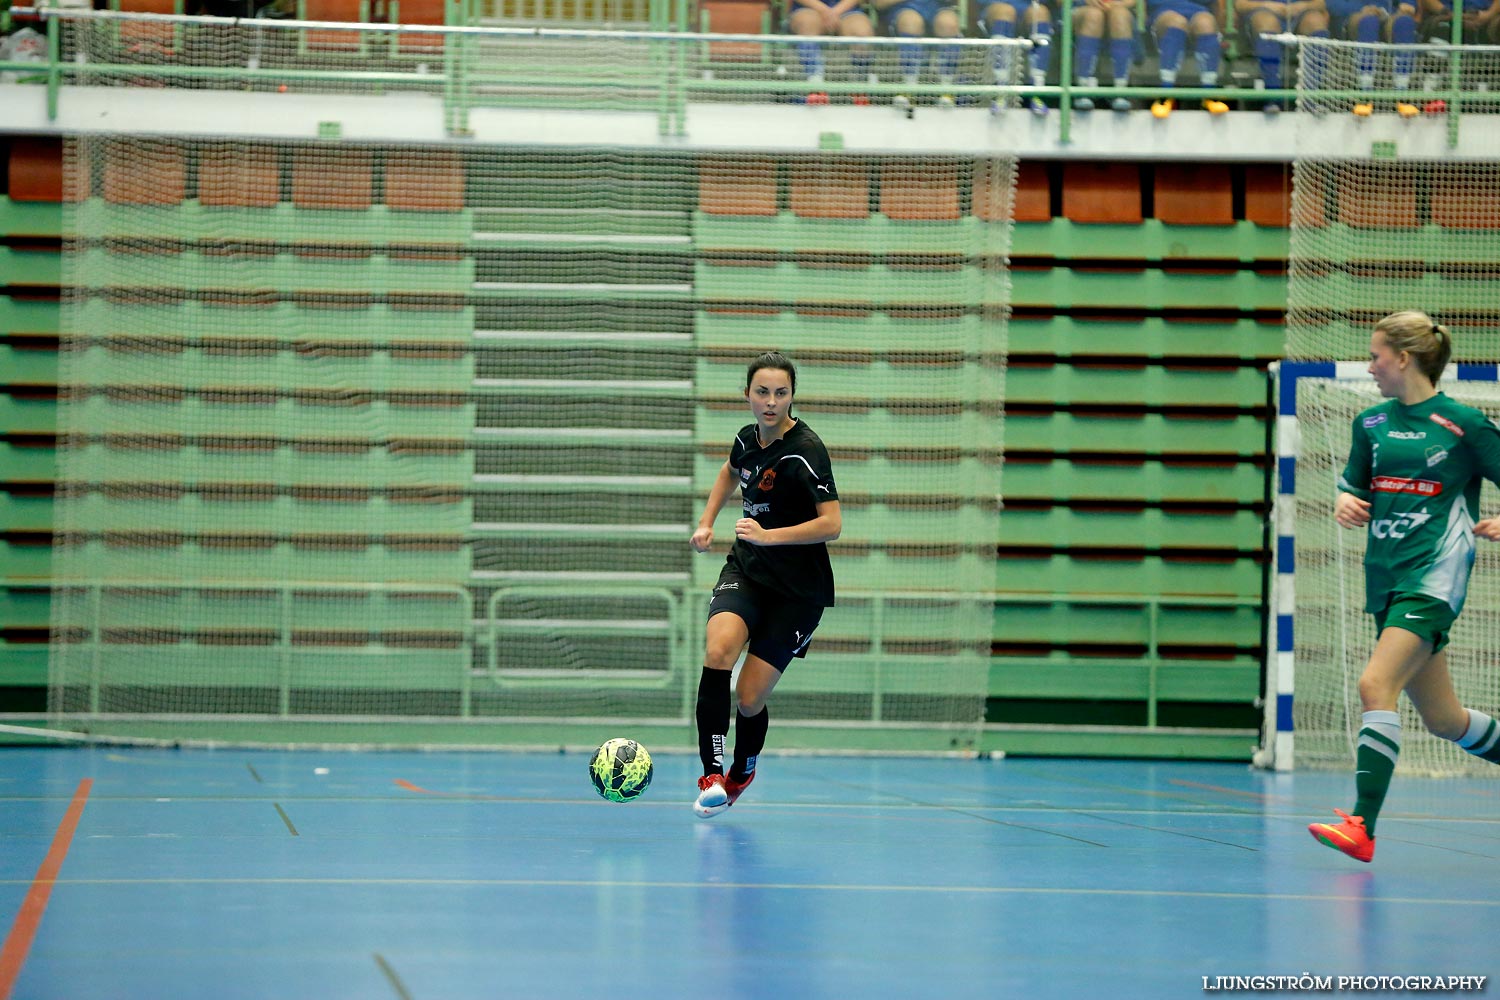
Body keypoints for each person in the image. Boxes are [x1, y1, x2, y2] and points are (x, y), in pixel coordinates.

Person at [1308, 311, 1500, 864]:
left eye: (1374, 356)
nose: (1369, 366)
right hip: (1386, 582)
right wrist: (1345, 501)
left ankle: (1362, 826)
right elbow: (1354, 487)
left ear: (1404, 358)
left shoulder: (1464, 425)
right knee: (1446, 721)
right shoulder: (1369, 423)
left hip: (1432, 583)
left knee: (1375, 686)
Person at [689, 352, 841, 819]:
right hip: (748, 571)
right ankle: (711, 773)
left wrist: (770, 535)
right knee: (718, 653)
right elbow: (729, 471)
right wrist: (707, 521)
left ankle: (742, 769)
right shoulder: (745, 439)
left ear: (792, 396)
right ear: (748, 395)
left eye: (780, 393)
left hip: (798, 592)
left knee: (750, 698)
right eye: (762, 392)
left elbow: (832, 524)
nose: (771, 402)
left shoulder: (806, 450)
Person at [1232, 0, 1329, 103]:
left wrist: (1302, 6)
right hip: (1262, 14)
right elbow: (1240, 4)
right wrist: (1267, 5)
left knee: (1315, 20)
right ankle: (1273, 97)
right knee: (1267, 21)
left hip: (1299, 16)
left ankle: (1311, 97)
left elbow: (1321, 3)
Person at [1145, 0, 1227, 116]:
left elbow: (1217, 5)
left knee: (1206, 23)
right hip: (1163, 12)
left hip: (1198, 11)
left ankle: (1209, 93)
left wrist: (1220, 30)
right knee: (1177, 22)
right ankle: (1165, 93)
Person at [788, 0, 877, 96]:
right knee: (807, 24)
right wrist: (824, 10)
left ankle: (860, 86)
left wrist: (836, 12)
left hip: (847, 10)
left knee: (861, 32)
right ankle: (815, 84)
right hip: (808, 8)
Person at [874, 0, 962, 92]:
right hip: (901, 8)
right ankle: (909, 88)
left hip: (938, 8)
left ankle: (947, 89)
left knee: (948, 23)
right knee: (910, 22)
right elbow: (879, 3)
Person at [1068, 0, 1138, 110]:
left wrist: (1120, 3)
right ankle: (1083, 88)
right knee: (1094, 15)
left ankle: (1121, 90)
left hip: (1119, 10)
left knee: (1120, 15)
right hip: (1080, 9)